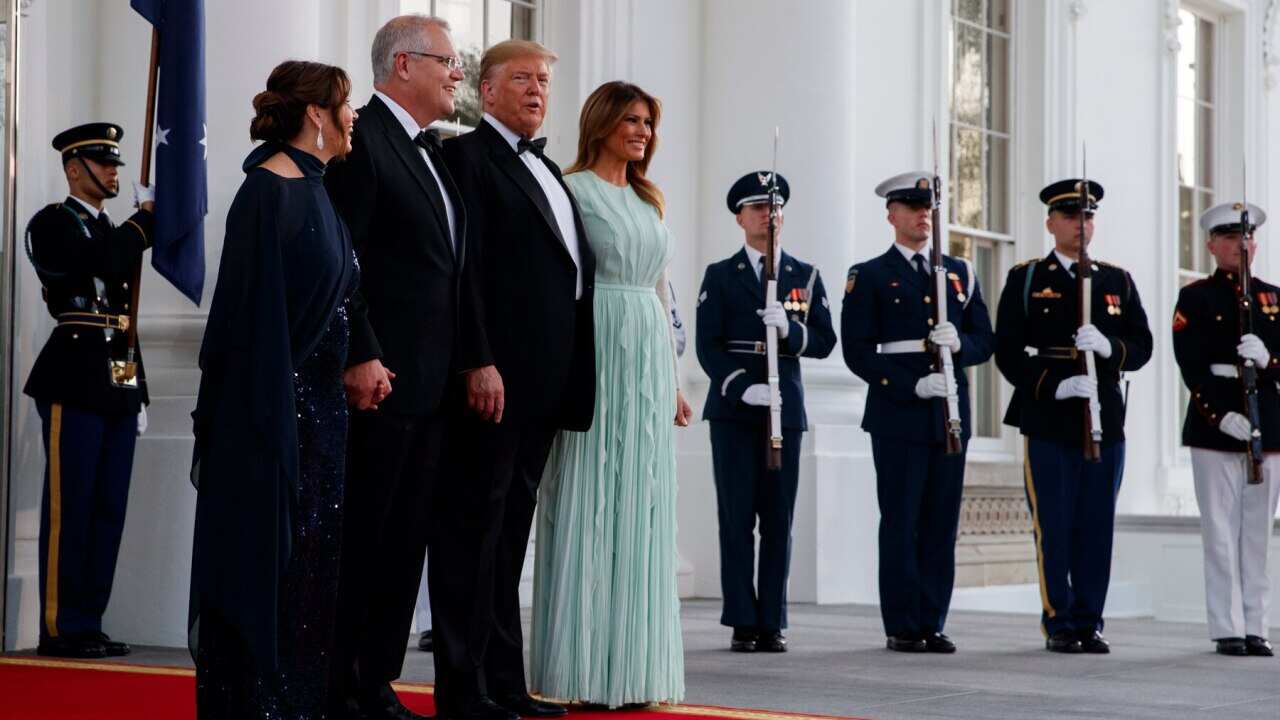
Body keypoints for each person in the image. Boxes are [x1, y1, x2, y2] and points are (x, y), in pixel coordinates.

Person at [188, 60, 358, 717]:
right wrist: (272, 424)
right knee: (273, 575)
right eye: (347, 106)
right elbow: (245, 327)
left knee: (309, 579)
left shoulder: (317, 186)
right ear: (317, 114)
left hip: (320, 420)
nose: (355, 119)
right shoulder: (267, 192)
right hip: (275, 423)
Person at [439, 39, 596, 720]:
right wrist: (477, 359)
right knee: (473, 537)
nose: (536, 90)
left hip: (542, 387)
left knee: (506, 543)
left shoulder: (549, 170)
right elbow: (464, 271)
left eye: (544, 81)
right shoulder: (465, 158)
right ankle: (464, 687)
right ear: (487, 90)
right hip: (492, 383)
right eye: (522, 79)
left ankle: (505, 682)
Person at [322, 15, 468, 720]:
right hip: (379, 382)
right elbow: (343, 263)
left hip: (431, 384)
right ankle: (341, 682)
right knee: (367, 538)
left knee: (405, 540)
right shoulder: (364, 143)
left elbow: (447, 271)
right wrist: (360, 351)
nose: (457, 74)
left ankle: (375, 679)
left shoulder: (434, 152)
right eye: (448, 61)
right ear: (404, 65)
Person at [529, 81, 691, 707]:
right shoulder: (572, 192)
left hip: (647, 358)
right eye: (630, 119)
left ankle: (635, 670)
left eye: (649, 122)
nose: (642, 131)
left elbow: (660, 290)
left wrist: (672, 382)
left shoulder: (651, 199)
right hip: (596, 348)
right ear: (601, 123)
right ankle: (582, 668)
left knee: (642, 508)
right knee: (590, 498)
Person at [993, 179, 1152, 654]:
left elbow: (1141, 347)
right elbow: (1006, 352)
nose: (1081, 225)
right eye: (1070, 216)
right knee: (1055, 523)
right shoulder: (1027, 278)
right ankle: (1059, 619)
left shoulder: (1115, 281)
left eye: (1088, 216)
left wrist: (1110, 347)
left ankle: (1089, 619)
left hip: (1104, 414)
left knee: (1096, 524)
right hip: (1047, 416)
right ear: (1050, 223)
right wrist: (1053, 384)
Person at [841, 172, 994, 654]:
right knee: (901, 518)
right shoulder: (868, 274)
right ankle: (904, 624)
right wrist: (910, 383)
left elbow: (985, 340)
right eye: (911, 206)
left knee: (940, 520)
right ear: (891, 214)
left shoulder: (959, 273)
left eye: (928, 207)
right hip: (899, 412)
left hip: (949, 411)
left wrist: (961, 344)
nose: (922, 214)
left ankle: (933, 619)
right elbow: (858, 351)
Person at [25, 122, 154, 659]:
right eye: (103, 163)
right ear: (74, 168)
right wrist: (141, 226)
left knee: (107, 508)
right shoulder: (54, 223)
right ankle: (60, 626)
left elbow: (121, 318)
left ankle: (89, 621)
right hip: (73, 378)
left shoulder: (107, 229)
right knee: (70, 505)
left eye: (116, 163)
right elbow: (99, 263)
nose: (113, 172)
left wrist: (134, 389)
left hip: (113, 379)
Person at [695, 170, 837, 653]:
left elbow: (824, 340)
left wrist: (789, 334)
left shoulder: (804, 276)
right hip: (736, 411)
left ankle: (772, 619)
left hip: (785, 409)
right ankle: (741, 618)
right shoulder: (720, 274)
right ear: (740, 217)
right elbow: (707, 347)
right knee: (736, 517)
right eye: (757, 208)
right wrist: (739, 388)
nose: (768, 215)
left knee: (778, 518)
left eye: (774, 207)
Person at [1173, 201, 1280, 658]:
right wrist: (1219, 415)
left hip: (1268, 426)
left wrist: (1269, 359)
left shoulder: (1274, 297)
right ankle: (1226, 626)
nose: (1243, 244)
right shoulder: (1196, 297)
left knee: (1257, 532)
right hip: (1215, 428)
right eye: (1232, 237)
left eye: (1248, 236)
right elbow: (1191, 365)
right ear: (1213, 245)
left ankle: (1256, 624)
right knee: (1219, 530)